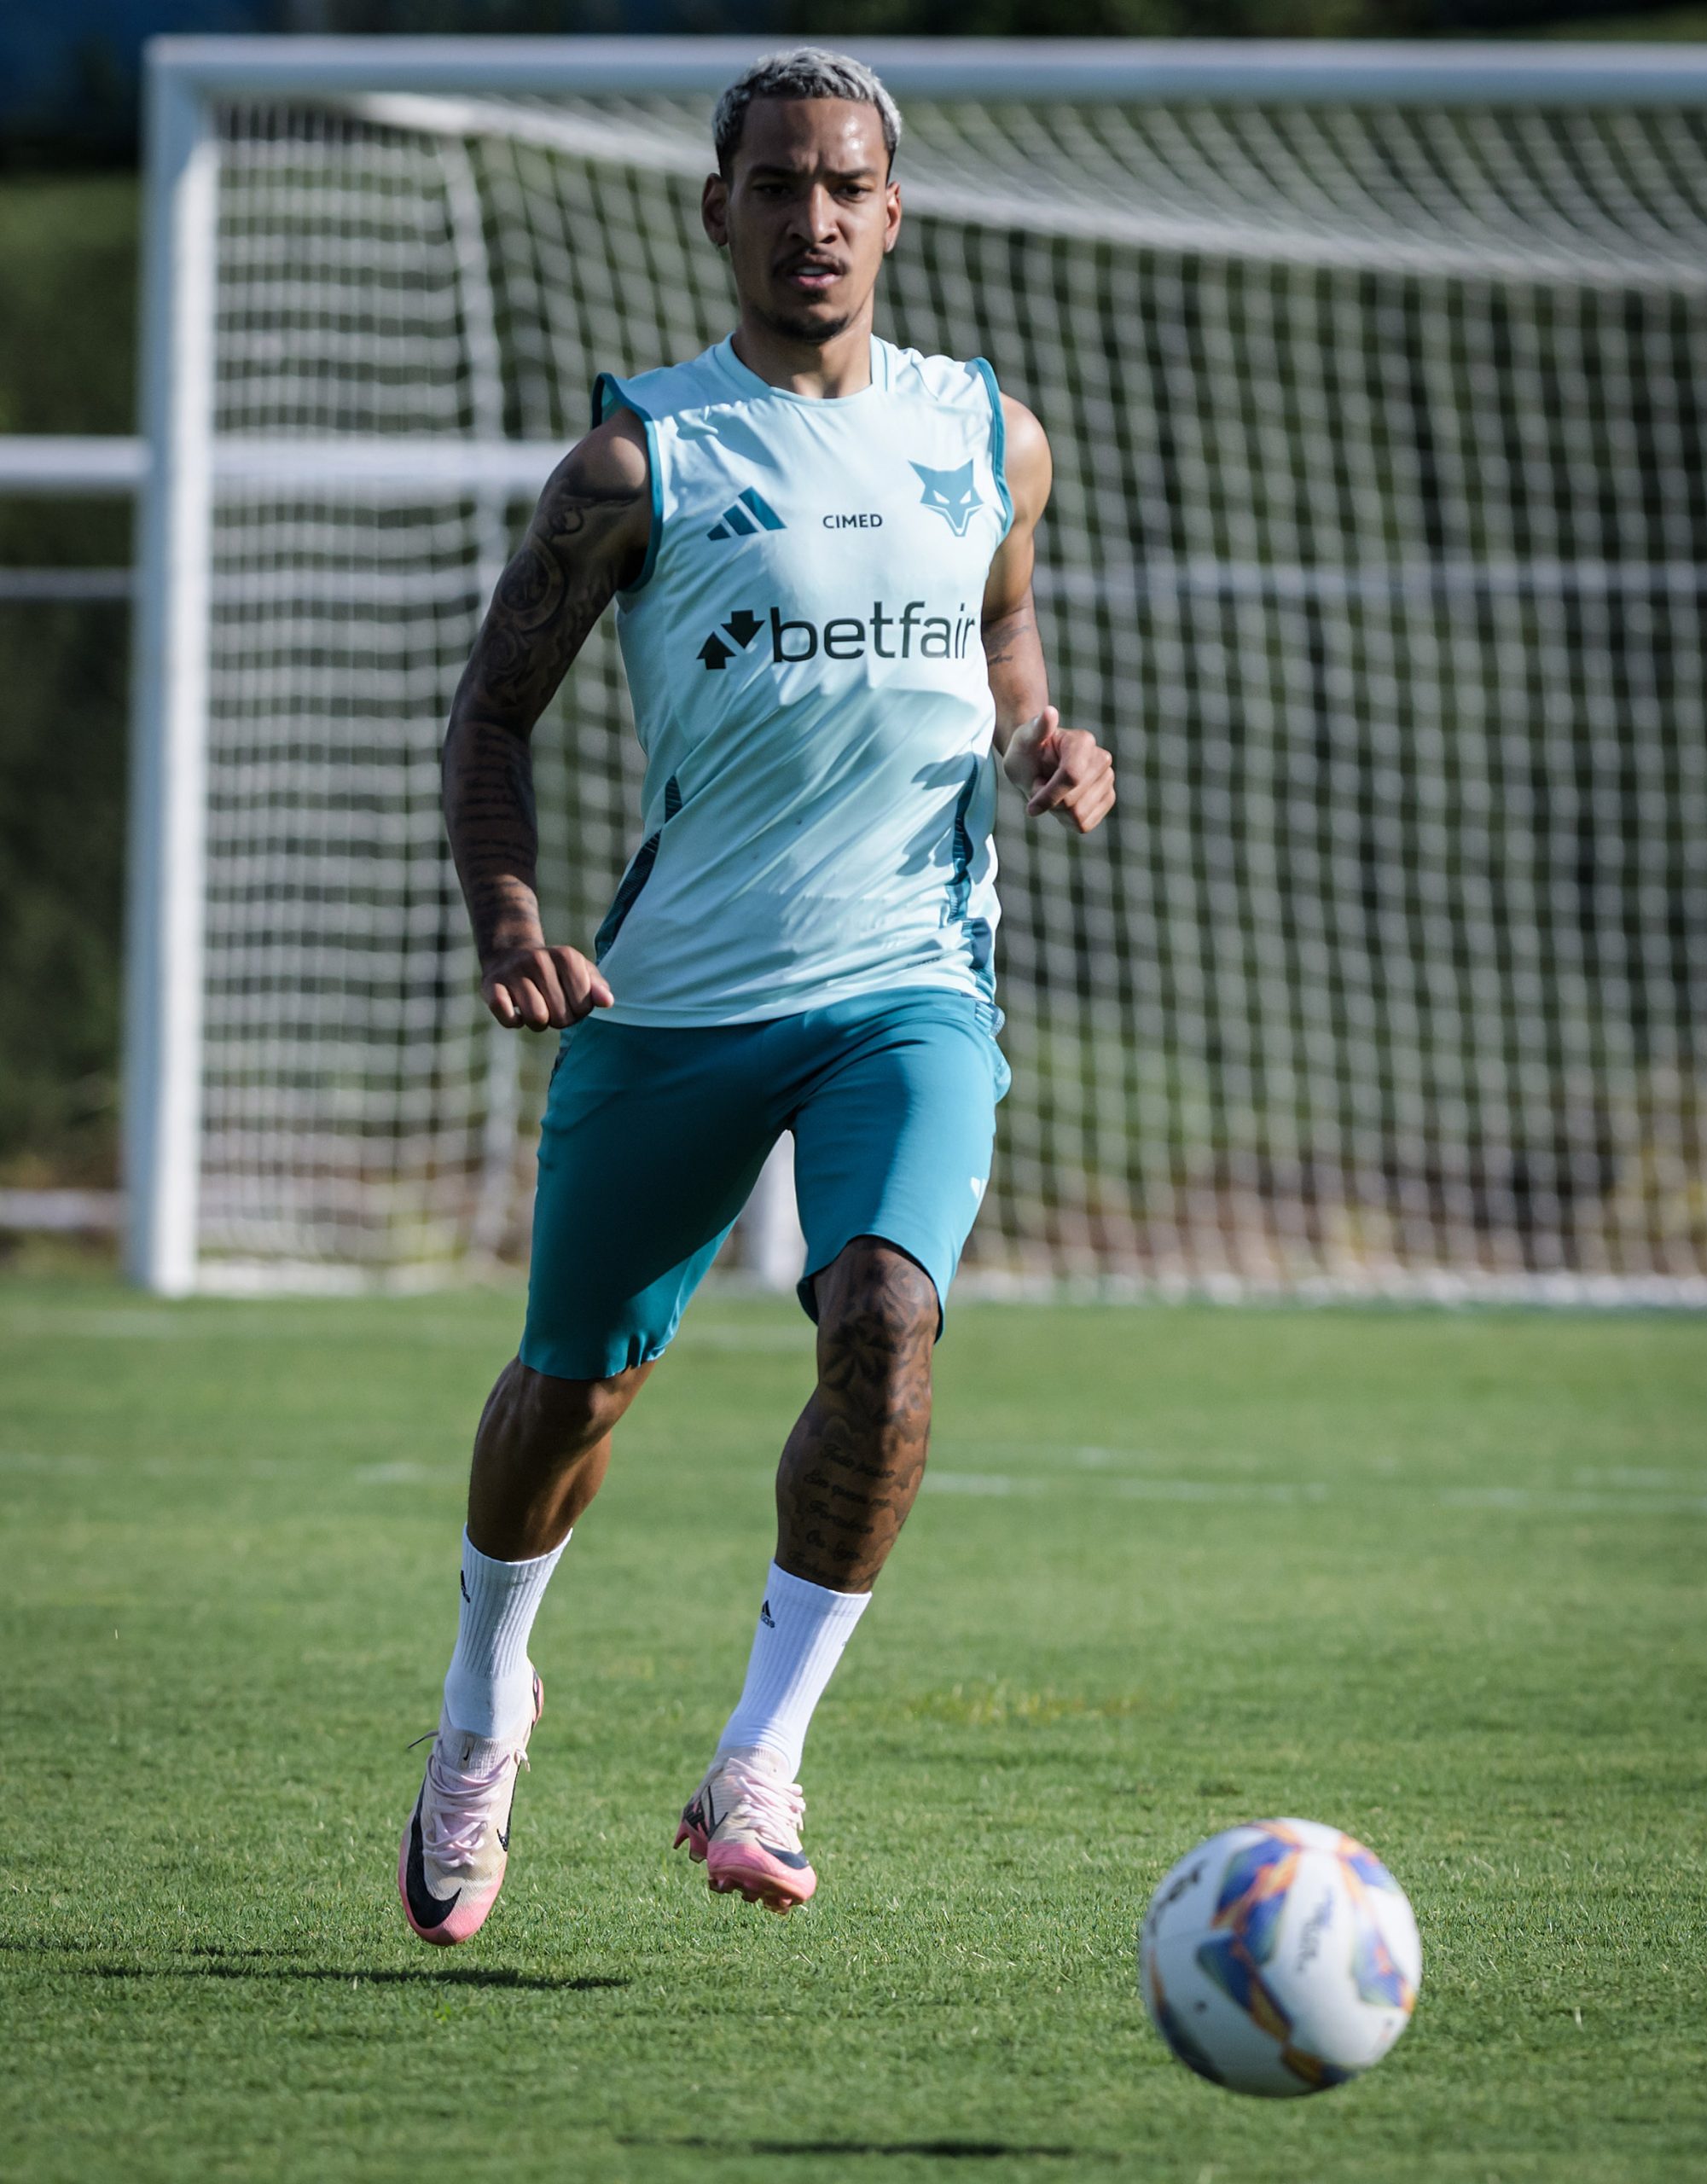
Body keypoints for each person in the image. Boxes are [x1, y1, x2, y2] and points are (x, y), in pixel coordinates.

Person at [398, 47, 1115, 1946]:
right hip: (675, 999)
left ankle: (761, 1757)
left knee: (886, 1317)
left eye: (847, 187)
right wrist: (507, 915)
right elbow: (488, 717)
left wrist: (1041, 735)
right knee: (572, 1391)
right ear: (715, 211)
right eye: (778, 187)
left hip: (909, 986)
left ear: (897, 210)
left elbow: (1003, 624)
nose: (814, 219)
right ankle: (486, 1698)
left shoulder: (991, 435)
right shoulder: (639, 460)